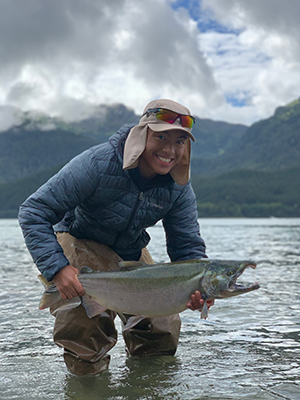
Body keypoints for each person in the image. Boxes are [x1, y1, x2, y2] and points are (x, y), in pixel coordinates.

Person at [18, 98, 214, 376]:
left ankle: (146, 389)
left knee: (162, 326)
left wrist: (198, 288)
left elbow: (187, 248)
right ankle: (87, 387)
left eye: (180, 141)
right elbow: (33, 211)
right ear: (142, 134)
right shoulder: (97, 163)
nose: (170, 150)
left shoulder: (179, 188)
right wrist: (58, 269)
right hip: (79, 237)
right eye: (161, 137)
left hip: (131, 249)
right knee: (86, 326)